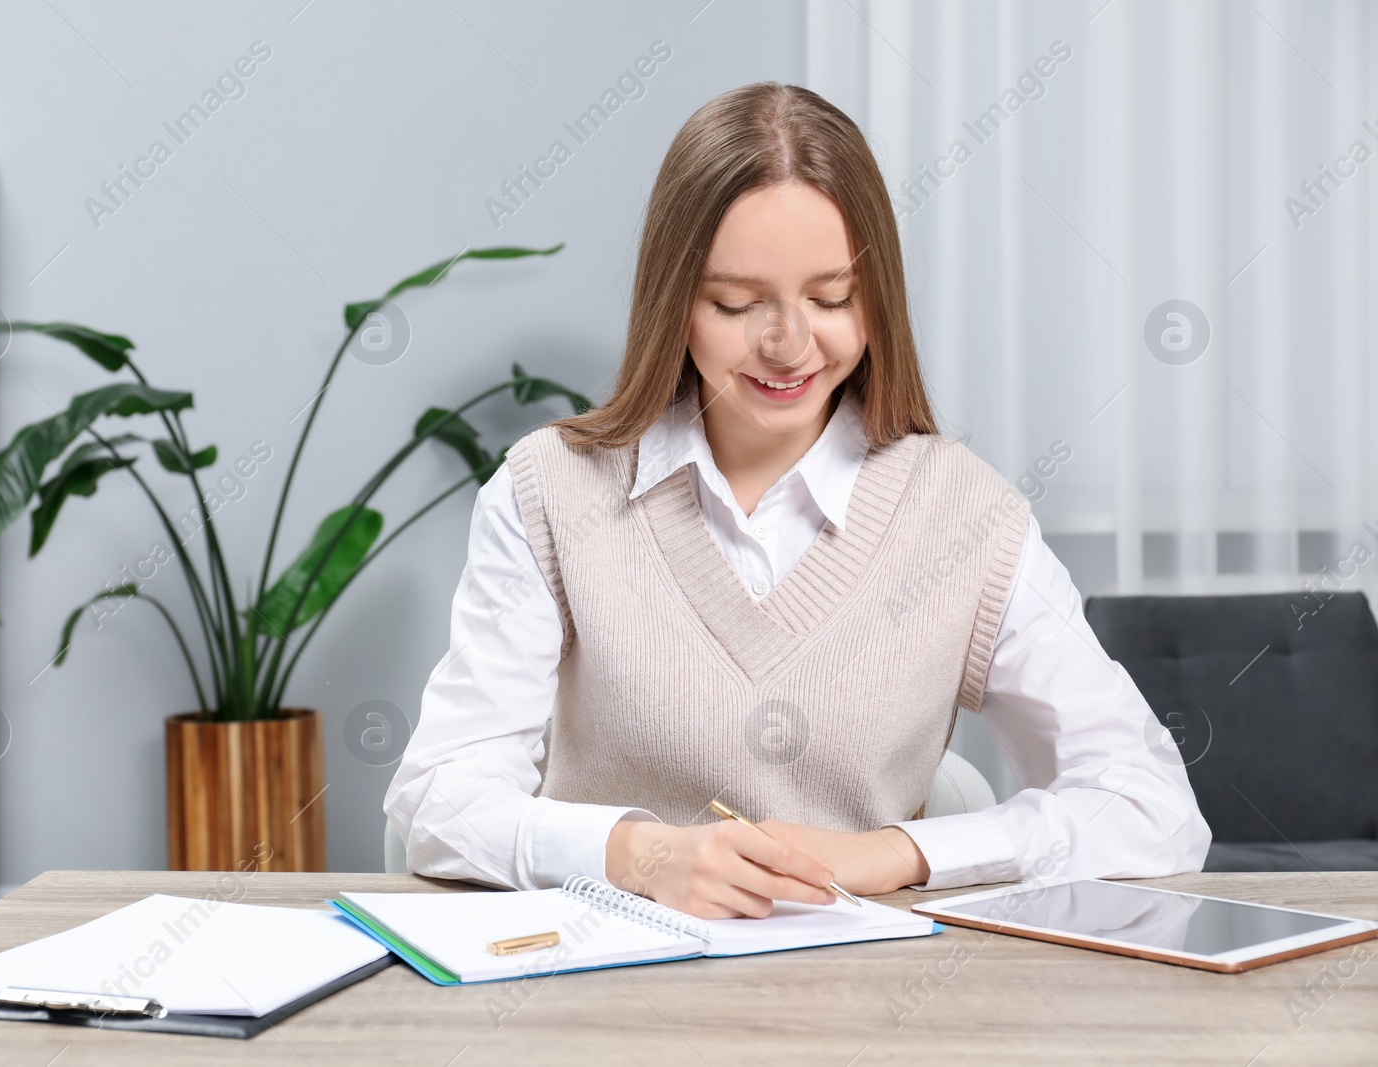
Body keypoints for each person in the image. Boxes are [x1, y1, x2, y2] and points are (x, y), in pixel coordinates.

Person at [384, 82, 1209, 920]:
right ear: (674, 302)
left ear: (877, 296)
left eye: (832, 299)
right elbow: (436, 803)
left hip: (862, 1013)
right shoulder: (550, 492)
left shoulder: (965, 517)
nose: (790, 346)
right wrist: (643, 854)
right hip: (606, 997)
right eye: (737, 304)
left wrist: (900, 852)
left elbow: (1151, 807)